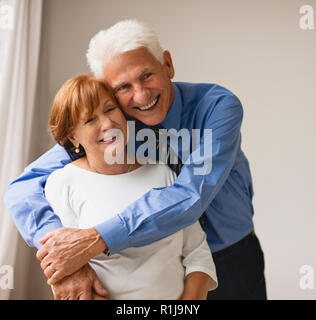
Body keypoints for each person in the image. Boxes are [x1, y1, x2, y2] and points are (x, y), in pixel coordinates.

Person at [4, 19, 266, 299]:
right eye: (123, 87)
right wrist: (64, 255)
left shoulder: (217, 107)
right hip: (161, 269)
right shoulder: (114, 123)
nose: (140, 95)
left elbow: (191, 195)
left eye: (146, 75)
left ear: (167, 64)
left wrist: (96, 239)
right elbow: (24, 188)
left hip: (232, 258)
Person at [44, 74, 217, 299]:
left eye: (109, 109)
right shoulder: (63, 183)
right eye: (89, 120)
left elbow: (197, 253)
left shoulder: (162, 172)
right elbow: (65, 272)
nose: (107, 124)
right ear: (73, 137)